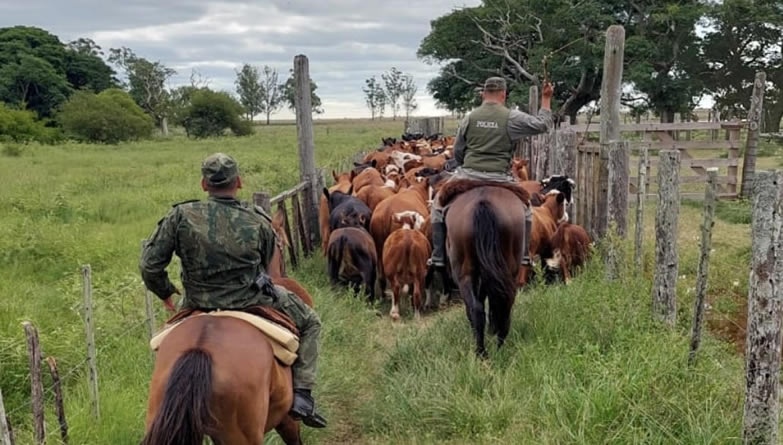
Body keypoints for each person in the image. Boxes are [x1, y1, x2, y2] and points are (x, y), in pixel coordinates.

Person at [140, 153, 327, 429]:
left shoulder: (180, 216)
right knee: (311, 322)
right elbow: (266, 266)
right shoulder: (257, 218)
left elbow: (149, 265)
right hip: (250, 298)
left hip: (195, 300)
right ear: (238, 181)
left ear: (204, 185)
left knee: (167, 344)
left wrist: (166, 292)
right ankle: (302, 396)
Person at [428, 77, 554, 269]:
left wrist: (466, 166)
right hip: (501, 177)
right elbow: (542, 125)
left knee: (437, 206)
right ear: (503, 94)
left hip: (469, 174)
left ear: (483, 94)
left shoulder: (469, 117)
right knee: (526, 209)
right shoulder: (512, 117)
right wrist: (545, 99)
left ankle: (437, 255)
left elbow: (459, 151)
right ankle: (523, 255)